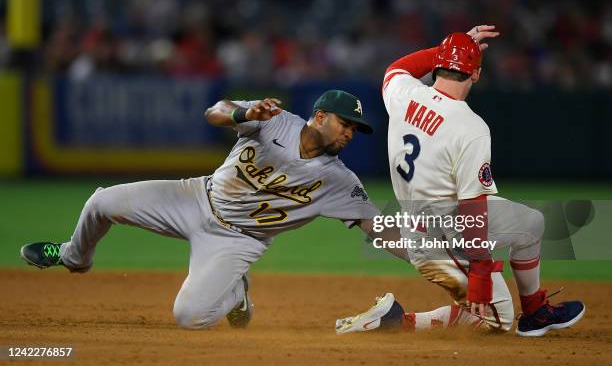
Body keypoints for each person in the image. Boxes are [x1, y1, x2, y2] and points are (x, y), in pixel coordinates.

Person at [20, 90, 401, 329]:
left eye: (355, 129)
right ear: (319, 117)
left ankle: (236, 292)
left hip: (237, 241)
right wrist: (244, 115)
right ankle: (74, 256)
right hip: (196, 197)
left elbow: (378, 227)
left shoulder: (340, 179)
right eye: (345, 124)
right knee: (102, 201)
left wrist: (437, 249)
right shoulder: (275, 121)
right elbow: (215, 111)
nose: (349, 133)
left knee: (189, 317)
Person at [335, 25, 585, 337]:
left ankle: (535, 311)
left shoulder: (405, 95)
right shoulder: (470, 126)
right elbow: (472, 208)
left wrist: (444, 50)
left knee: (531, 223)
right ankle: (394, 319)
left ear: (439, 66)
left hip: (430, 221)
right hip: (444, 238)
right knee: (499, 318)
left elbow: (397, 68)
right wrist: (481, 273)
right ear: (476, 74)